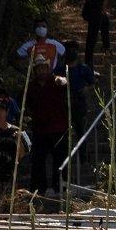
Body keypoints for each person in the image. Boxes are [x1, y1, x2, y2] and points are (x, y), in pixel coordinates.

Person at [25, 55, 70, 197]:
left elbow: (65, 82)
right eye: (39, 69)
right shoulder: (31, 86)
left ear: (48, 68)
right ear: (35, 71)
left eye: (44, 68)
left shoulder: (56, 81)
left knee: (60, 159)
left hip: (58, 128)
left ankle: (60, 188)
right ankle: (39, 189)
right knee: (38, 160)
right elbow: (27, 104)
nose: (42, 71)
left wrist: (62, 81)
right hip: (40, 129)